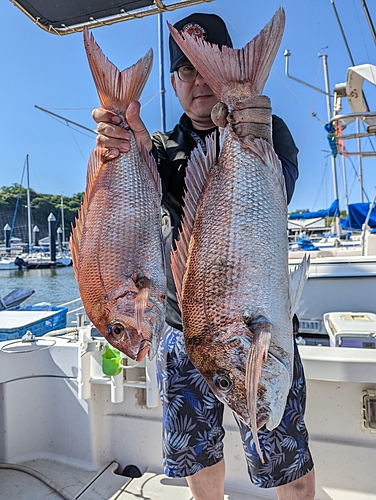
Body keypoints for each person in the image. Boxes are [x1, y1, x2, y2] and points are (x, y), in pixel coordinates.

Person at [92, 12, 316, 500]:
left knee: (290, 470)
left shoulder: (267, 129)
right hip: (181, 330)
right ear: (174, 83)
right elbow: (140, 196)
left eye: (204, 63)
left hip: (256, 336)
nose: (198, 80)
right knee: (200, 464)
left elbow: (281, 191)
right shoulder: (159, 149)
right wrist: (121, 145)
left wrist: (256, 137)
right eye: (187, 69)